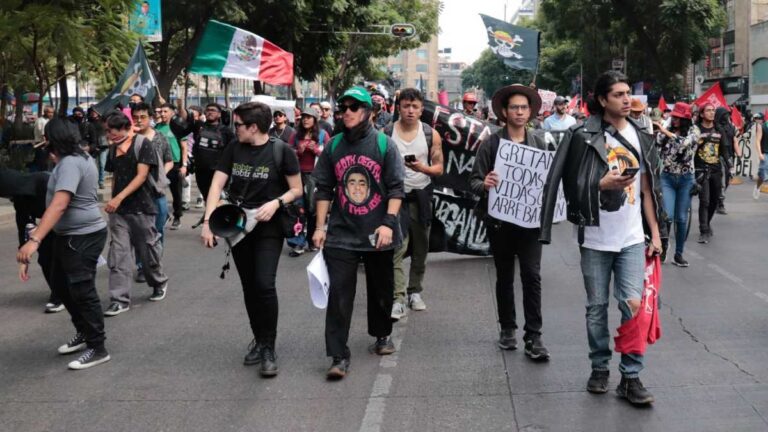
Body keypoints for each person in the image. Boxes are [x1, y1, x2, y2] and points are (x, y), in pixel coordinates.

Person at [540, 71, 665, 406]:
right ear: (601, 99)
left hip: (632, 238)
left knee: (633, 305)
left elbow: (649, 190)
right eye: (619, 95)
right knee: (596, 307)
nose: (627, 100)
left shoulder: (642, 134)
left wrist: (655, 233)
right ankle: (599, 367)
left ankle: (631, 375)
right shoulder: (581, 135)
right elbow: (564, 183)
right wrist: (600, 185)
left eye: (628, 93)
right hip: (595, 237)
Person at [201, 102, 302, 378]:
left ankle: (269, 347)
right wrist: (208, 222)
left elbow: (297, 189)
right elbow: (217, 184)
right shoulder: (234, 148)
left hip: (269, 226)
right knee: (250, 287)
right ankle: (259, 339)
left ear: (253, 127)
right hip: (238, 225)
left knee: (264, 284)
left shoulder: (282, 151)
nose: (235, 129)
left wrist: (276, 203)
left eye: (238, 125)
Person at [312, 86, 405, 380]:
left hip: (378, 232)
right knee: (339, 295)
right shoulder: (333, 146)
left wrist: (388, 223)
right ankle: (338, 355)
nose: (347, 112)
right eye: (344, 107)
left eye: (354, 107)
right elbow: (323, 189)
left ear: (369, 112)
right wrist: (319, 227)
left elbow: (396, 189)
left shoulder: (384, 145)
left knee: (381, 292)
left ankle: (381, 335)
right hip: (342, 234)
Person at [16, 118, 110, 370]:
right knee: (60, 285)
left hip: (82, 235)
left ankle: (97, 347)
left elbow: (60, 204)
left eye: (46, 136)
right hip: (69, 235)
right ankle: (84, 332)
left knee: (82, 290)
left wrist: (34, 240)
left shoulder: (70, 163)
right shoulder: (76, 158)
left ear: (53, 138)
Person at [470, 84, 550, 361]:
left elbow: (548, 183)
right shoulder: (491, 144)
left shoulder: (539, 143)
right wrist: (485, 184)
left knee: (532, 275)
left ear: (530, 112)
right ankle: (507, 328)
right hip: (500, 223)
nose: (519, 112)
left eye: (523, 107)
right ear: (504, 112)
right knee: (504, 276)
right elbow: (474, 181)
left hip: (530, 224)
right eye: (514, 107)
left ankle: (534, 335)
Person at [103, 112, 169, 317]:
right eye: (107, 132)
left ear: (124, 128)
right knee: (119, 255)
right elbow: (115, 177)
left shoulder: (142, 144)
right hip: (119, 212)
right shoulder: (113, 149)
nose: (109, 135)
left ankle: (158, 282)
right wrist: (113, 201)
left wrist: (118, 198)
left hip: (142, 207)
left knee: (147, 252)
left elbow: (141, 176)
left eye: (111, 131)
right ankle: (119, 300)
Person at [385, 88, 443, 320]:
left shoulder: (430, 134)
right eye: (406, 106)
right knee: (397, 249)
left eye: (415, 106)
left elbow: (439, 168)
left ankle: (414, 291)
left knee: (421, 248)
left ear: (421, 110)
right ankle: (398, 298)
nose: (410, 110)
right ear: (399, 108)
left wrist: (422, 168)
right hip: (395, 199)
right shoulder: (386, 133)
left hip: (421, 198)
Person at [131, 102, 174, 282]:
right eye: (135, 117)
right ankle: (142, 266)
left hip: (157, 192)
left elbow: (169, 160)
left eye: (143, 117)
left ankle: (155, 263)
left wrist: (160, 177)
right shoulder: (130, 139)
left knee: (157, 230)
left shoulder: (160, 137)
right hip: (136, 193)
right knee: (139, 232)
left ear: (150, 118)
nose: (139, 120)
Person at [654, 102, 699, 267]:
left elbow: (684, 143)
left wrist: (665, 131)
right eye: (674, 117)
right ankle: (664, 245)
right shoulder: (667, 127)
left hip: (686, 179)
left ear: (685, 119)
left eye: (679, 118)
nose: (675, 120)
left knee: (681, 218)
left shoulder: (694, 130)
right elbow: (657, 141)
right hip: (667, 177)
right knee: (667, 215)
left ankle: (679, 254)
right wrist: (659, 130)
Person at [177, 102, 235, 213]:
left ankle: (215, 218)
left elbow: (234, 149)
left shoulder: (226, 131)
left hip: (219, 171)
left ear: (219, 114)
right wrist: (180, 104)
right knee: (207, 199)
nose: (210, 112)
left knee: (219, 199)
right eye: (208, 110)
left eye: (213, 110)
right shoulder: (198, 125)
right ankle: (211, 217)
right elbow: (184, 116)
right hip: (201, 171)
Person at [287, 108, 329, 256]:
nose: (305, 119)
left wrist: (316, 150)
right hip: (297, 176)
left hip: (315, 177)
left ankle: (312, 240)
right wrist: (298, 151)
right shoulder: (295, 135)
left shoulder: (323, 134)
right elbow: (288, 153)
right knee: (298, 209)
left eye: (309, 117)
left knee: (313, 210)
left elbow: (329, 155)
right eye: (304, 117)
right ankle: (297, 243)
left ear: (315, 120)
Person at [694, 103, 723, 244]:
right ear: (701, 114)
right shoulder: (696, 130)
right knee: (704, 201)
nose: (712, 113)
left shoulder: (719, 129)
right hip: (701, 170)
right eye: (708, 110)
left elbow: (724, 150)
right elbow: (691, 149)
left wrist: (730, 166)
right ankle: (703, 230)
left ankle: (707, 222)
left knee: (714, 200)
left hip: (716, 170)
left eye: (713, 110)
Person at [156, 102, 188, 229]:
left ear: (172, 113)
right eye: (161, 111)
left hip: (175, 164)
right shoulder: (157, 127)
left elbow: (184, 148)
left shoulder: (178, 127)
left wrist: (184, 165)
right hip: (160, 164)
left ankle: (177, 216)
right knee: (158, 190)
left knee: (176, 193)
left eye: (165, 111)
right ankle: (164, 214)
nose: (162, 114)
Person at [714, 107, 741, 214]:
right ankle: (720, 203)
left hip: (729, 156)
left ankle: (717, 198)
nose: (727, 116)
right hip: (718, 157)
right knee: (721, 181)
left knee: (727, 180)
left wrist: (739, 155)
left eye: (728, 114)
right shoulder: (715, 127)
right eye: (724, 114)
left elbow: (735, 141)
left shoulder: (731, 127)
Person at [754, 113, 767, 200]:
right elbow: (758, 140)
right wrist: (759, 153)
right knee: (762, 174)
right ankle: (757, 187)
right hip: (765, 153)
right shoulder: (762, 126)